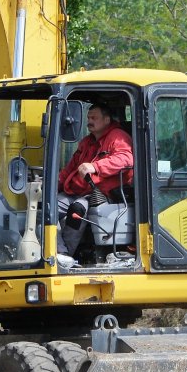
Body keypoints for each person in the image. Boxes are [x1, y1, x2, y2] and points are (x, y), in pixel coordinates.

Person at [56, 99, 133, 264]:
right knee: (47, 207)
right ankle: (58, 251)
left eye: (94, 118)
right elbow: (70, 169)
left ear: (107, 120)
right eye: (88, 118)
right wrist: (52, 185)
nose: (90, 121)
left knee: (77, 209)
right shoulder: (86, 142)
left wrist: (95, 166)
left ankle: (66, 256)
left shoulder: (117, 137)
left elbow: (126, 159)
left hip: (103, 193)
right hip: (78, 190)